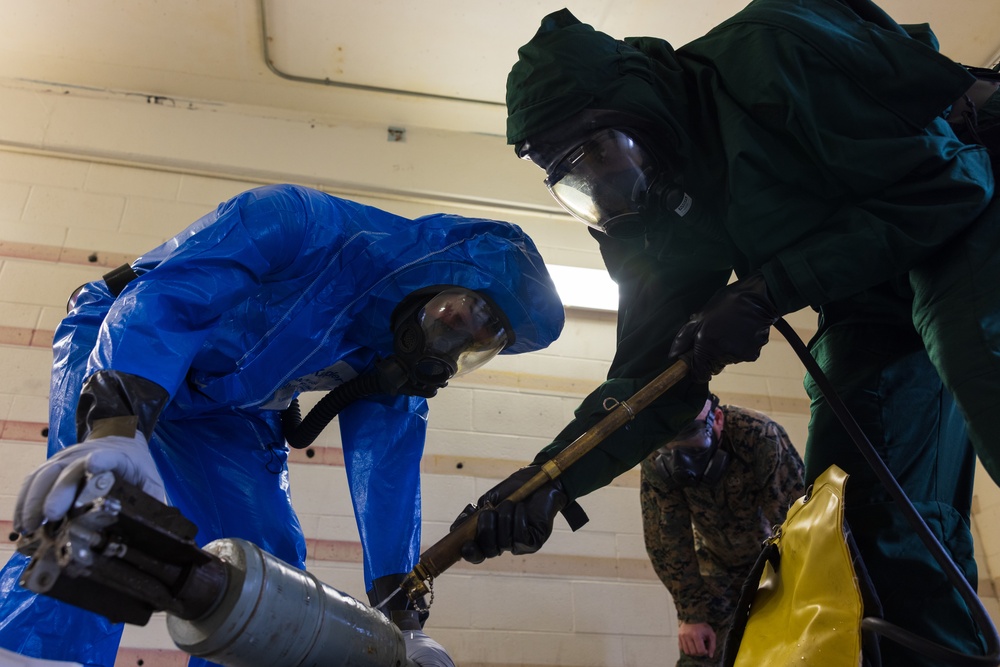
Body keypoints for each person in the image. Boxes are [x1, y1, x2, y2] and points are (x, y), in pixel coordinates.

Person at [451, 2, 999, 665]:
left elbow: (953, 181)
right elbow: (650, 380)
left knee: (977, 354)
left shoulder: (766, 58)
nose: (606, 183)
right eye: (577, 176)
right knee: (853, 513)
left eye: (601, 151)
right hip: (868, 293)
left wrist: (771, 289)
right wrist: (547, 482)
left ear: (637, 105)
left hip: (965, 195)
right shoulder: (658, 216)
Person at [0, 183, 566, 667]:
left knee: (266, 580)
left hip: (229, 413)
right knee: (96, 519)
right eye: (462, 315)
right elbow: (168, 302)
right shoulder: (299, 221)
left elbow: (388, 470)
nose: (456, 341)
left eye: (479, 342)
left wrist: (400, 617)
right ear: (435, 274)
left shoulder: (388, 351)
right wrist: (115, 428)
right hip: (125, 347)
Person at [640, 395, 804, 666]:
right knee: (698, 652)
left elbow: (796, 520)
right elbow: (666, 537)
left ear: (716, 420)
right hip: (716, 565)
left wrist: (803, 589)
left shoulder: (757, 435)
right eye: (670, 440)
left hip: (775, 564)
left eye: (690, 435)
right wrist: (691, 614)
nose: (680, 454)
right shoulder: (655, 458)